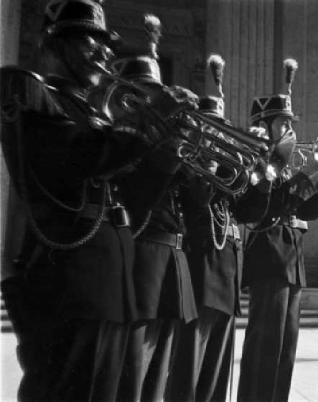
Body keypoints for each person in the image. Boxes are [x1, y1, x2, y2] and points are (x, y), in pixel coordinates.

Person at [0, 1, 189, 400]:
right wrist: (147, 123)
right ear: (55, 42)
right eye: (91, 40)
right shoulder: (33, 94)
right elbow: (77, 158)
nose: (105, 53)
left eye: (108, 44)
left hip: (113, 289)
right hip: (68, 288)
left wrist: (167, 155)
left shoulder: (99, 118)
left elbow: (132, 203)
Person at [103, 14, 200, 402]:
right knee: (132, 367)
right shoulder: (118, 134)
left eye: (155, 93)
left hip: (173, 259)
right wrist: (165, 153)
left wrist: (195, 162)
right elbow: (135, 195)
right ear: (126, 95)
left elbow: (191, 204)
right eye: (144, 93)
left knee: (160, 367)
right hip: (141, 252)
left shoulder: (162, 138)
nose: (152, 102)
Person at [165, 53, 268, 402]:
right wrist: (208, 159)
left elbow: (247, 212)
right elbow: (193, 201)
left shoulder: (228, 171)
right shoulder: (186, 162)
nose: (216, 136)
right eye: (210, 128)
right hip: (196, 275)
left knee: (216, 374)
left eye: (220, 129)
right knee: (186, 371)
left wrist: (261, 179)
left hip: (226, 278)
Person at [237, 59, 318, 402]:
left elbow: (304, 210)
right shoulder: (258, 161)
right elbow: (271, 206)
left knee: (286, 350)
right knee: (265, 348)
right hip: (268, 259)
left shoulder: (286, 164)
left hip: (292, 263)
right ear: (265, 125)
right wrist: (302, 173)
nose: (291, 130)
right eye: (284, 122)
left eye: (290, 123)